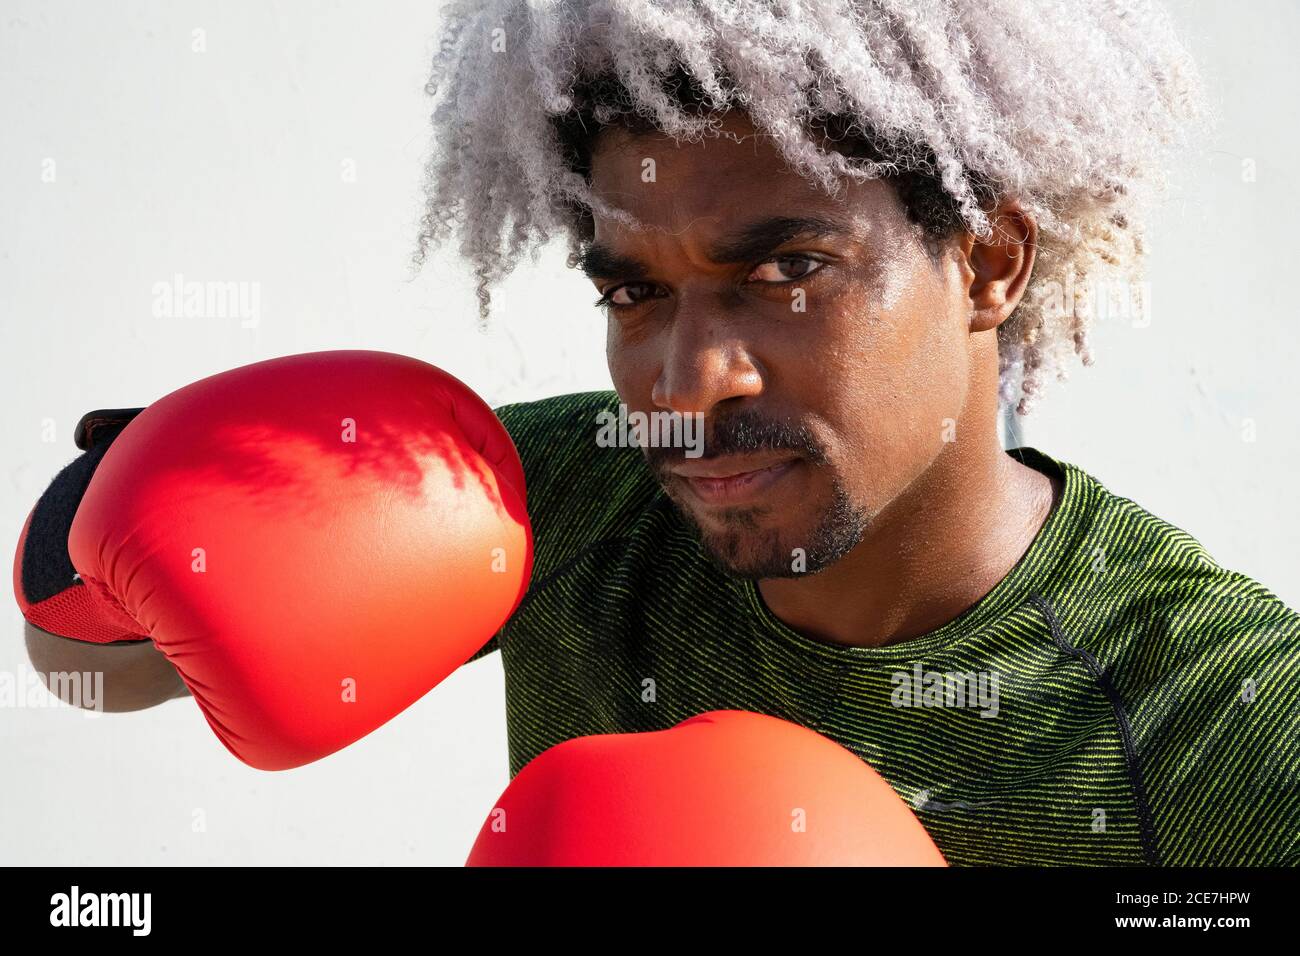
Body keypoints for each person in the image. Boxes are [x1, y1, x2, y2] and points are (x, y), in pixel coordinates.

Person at [21, 0, 1299, 865]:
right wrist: (113, 513)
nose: (686, 385)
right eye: (634, 291)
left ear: (991, 262)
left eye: (787, 268)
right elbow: (95, 666)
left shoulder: (1222, 723)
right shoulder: (570, 494)